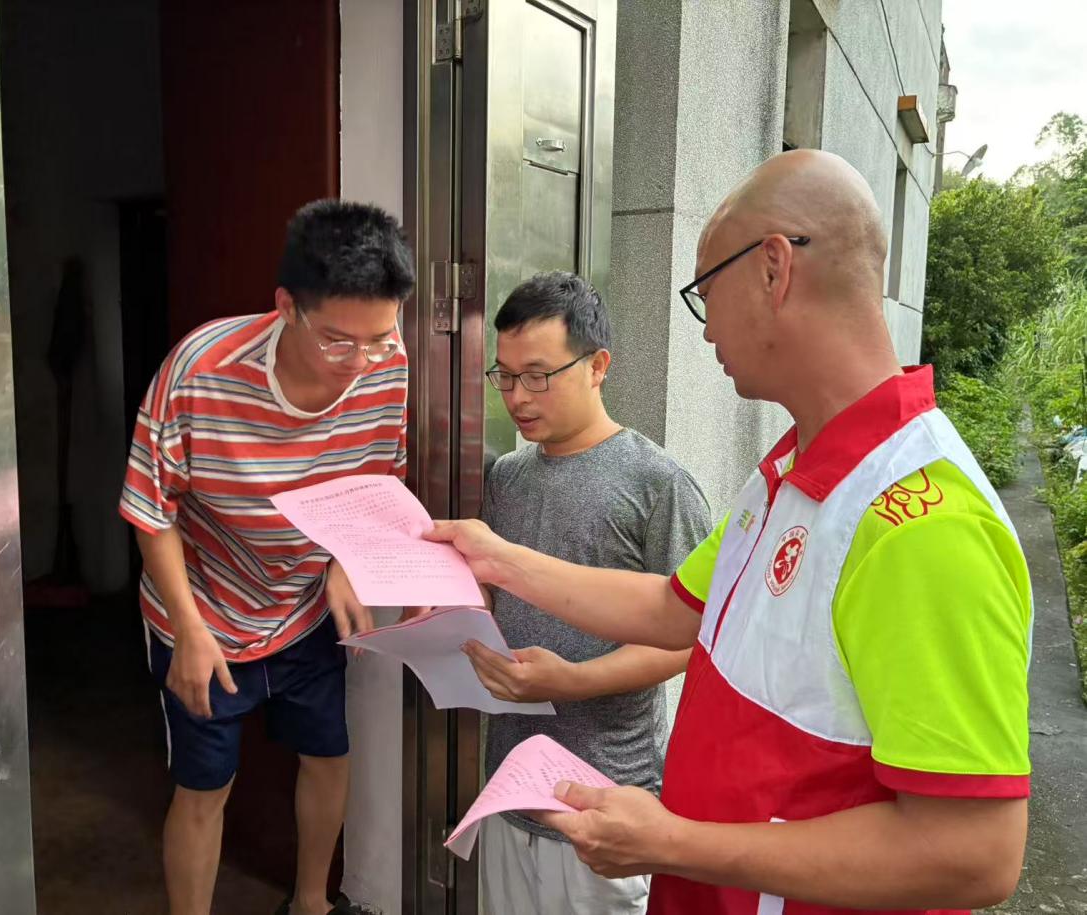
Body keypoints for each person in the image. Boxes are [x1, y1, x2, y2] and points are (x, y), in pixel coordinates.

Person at [428, 150, 1031, 915]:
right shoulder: (791, 472)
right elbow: (670, 607)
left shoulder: (921, 523)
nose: (706, 323)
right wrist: (497, 558)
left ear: (774, 268)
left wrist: (672, 841)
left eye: (706, 289)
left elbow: (972, 854)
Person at [118, 200, 414, 915]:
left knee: (328, 754)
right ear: (287, 307)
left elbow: (376, 478)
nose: (362, 364)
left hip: (305, 607)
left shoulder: (387, 366)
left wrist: (344, 563)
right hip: (204, 610)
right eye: (339, 342)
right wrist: (188, 629)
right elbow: (153, 511)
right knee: (204, 786)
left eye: (379, 340)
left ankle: (311, 902)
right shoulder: (199, 370)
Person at [466, 272, 710, 914]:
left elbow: (692, 639)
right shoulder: (507, 477)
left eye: (538, 375)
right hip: (511, 791)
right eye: (504, 376)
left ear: (598, 366)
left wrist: (571, 681)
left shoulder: (657, 483)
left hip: (607, 803)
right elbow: (498, 600)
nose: (517, 397)